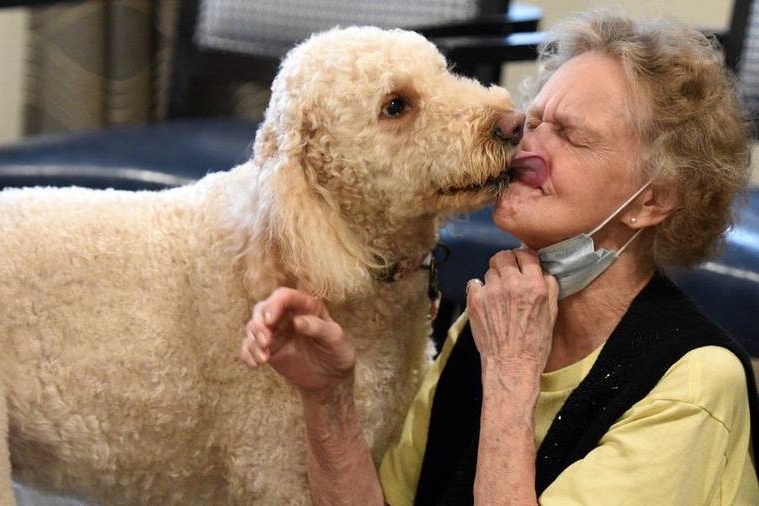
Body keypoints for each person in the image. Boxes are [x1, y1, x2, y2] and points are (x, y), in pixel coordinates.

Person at [240, 11, 759, 505]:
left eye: (572, 134)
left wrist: (511, 373)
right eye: (532, 121)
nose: (525, 144)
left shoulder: (692, 384)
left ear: (651, 202)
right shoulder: (484, 324)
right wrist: (327, 396)